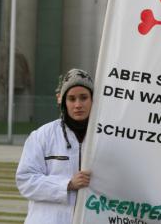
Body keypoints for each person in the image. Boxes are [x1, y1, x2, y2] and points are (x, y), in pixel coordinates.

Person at [16, 68, 93, 224]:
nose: (78, 104)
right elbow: (25, 181)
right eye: (71, 99)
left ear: (93, 99)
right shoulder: (41, 136)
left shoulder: (104, 138)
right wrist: (67, 184)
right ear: (63, 101)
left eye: (83, 98)